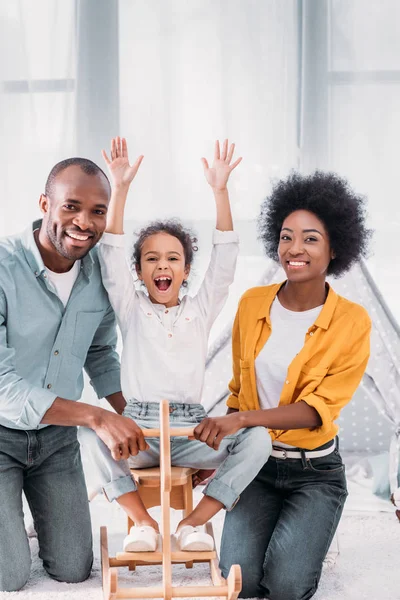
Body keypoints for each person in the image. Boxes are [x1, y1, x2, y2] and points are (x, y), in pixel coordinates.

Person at [81, 137, 271, 553]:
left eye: (172, 259)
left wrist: (219, 191)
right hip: (139, 431)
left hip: (190, 429)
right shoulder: (130, 308)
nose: (162, 266)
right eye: (151, 259)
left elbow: (224, 262)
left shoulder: (200, 309)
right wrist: (121, 186)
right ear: (139, 270)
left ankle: (193, 522)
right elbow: (110, 254)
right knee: (86, 434)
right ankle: (143, 523)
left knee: (259, 439)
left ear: (185, 270)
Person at [193, 171, 372, 600]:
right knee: (242, 583)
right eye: (286, 236)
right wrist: (221, 454)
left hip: (315, 473)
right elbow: (240, 388)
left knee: (287, 586)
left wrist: (238, 421)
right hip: (255, 468)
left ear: (335, 249)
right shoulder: (253, 303)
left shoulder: (352, 321)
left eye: (310, 239)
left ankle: (310, 534)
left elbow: (316, 410)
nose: (294, 249)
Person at [0, 158, 149, 592]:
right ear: (45, 204)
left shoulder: (101, 275)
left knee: (72, 569)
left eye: (98, 211)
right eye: (71, 207)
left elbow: (101, 352)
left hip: (55, 443)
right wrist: (97, 417)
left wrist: (134, 418)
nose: (84, 222)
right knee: (9, 576)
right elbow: (3, 387)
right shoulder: (3, 266)